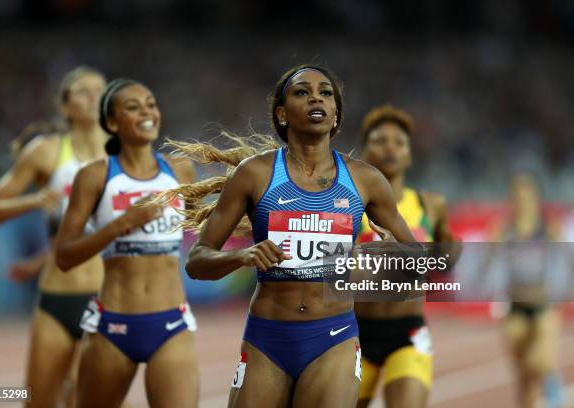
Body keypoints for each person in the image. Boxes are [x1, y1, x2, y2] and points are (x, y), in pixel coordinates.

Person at [164, 65, 418, 408]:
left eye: (326, 93)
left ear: (336, 115)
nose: (317, 97)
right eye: (303, 92)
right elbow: (197, 261)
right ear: (282, 114)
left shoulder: (365, 180)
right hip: (266, 339)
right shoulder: (254, 174)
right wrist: (241, 256)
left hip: (333, 338)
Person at [55, 78, 198, 407]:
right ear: (112, 122)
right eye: (133, 107)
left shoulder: (180, 170)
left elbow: (201, 227)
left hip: (171, 324)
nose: (147, 112)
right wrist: (122, 224)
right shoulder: (95, 176)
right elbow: (64, 256)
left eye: (151, 104)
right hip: (112, 326)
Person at [0, 67, 107, 407]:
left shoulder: (126, 155)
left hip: (108, 298)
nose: (93, 95)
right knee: (36, 399)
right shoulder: (46, 151)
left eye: (99, 89)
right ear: (65, 108)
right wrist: (33, 199)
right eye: (82, 91)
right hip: (56, 297)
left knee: (88, 397)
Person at [354, 105, 459, 408]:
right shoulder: (348, 206)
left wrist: (448, 254)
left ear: (409, 155)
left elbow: (445, 257)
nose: (389, 148)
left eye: (398, 142)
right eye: (379, 140)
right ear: (364, 150)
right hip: (354, 333)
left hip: (408, 331)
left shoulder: (431, 205)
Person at [499, 173, 563, 408]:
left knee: (542, 362)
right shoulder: (504, 230)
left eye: (527, 194)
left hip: (543, 306)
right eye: (517, 194)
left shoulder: (548, 228)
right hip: (515, 309)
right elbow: (488, 265)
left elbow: (566, 261)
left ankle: (554, 392)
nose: (522, 199)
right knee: (524, 381)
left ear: (536, 197)